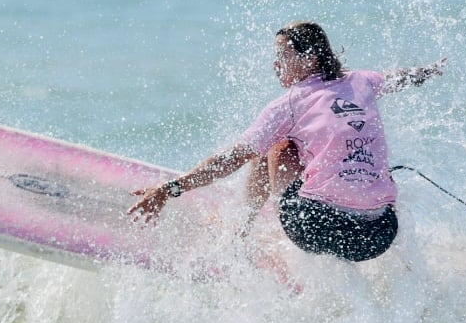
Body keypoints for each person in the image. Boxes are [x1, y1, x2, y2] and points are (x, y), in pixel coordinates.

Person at [129, 21, 445, 263]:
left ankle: (238, 233)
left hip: (316, 229)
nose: (274, 64)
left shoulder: (290, 103)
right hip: (376, 239)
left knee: (271, 145)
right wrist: (432, 70)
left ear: (310, 58)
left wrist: (170, 188)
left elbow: (229, 158)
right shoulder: (363, 81)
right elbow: (402, 77)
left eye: (282, 55)